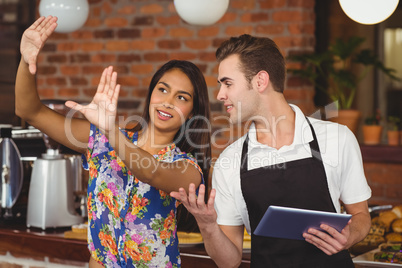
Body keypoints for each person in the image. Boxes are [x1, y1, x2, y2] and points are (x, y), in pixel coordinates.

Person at [16, 16, 211, 268]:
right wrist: (26, 59)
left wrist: (110, 130)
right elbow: (30, 111)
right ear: (151, 93)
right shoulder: (103, 141)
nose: (168, 101)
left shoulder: (187, 169)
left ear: (192, 112)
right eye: (162, 89)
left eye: (181, 97)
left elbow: (150, 171)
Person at [171, 34, 372, 267]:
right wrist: (207, 225)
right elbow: (230, 261)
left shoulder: (337, 138)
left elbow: (361, 216)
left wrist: (349, 236)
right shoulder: (231, 160)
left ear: (260, 81)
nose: (220, 95)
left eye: (228, 83)